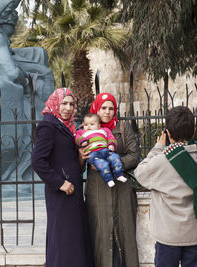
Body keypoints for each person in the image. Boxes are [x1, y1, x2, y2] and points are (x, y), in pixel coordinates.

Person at [134, 106, 197, 267]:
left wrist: (158, 147)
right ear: (194, 131)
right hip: (196, 234)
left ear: (168, 133)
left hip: (168, 236)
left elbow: (140, 174)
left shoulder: (161, 160)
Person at [31, 88, 92, 267]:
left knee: (73, 239)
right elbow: (38, 161)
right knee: (62, 240)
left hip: (72, 193)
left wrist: (81, 157)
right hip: (61, 194)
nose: (68, 108)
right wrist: (60, 183)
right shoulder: (48, 126)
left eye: (71, 104)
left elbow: (73, 164)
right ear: (55, 103)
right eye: (64, 103)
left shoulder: (68, 126)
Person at [80, 92, 140, 267]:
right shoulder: (86, 128)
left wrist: (112, 164)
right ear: (96, 109)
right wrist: (81, 157)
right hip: (97, 189)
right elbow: (79, 165)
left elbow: (134, 155)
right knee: (101, 236)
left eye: (111, 108)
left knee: (126, 233)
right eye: (103, 108)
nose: (107, 112)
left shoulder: (123, 126)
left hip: (121, 188)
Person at [75, 113, 127, 187]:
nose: (88, 126)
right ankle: (108, 179)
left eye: (92, 124)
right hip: (93, 154)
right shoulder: (81, 132)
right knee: (103, 164)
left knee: (116, 157)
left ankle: (119, 174)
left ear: (99, 125)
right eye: (86, 124)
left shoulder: (104, 130)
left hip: (105, 151)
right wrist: (82, 141)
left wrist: (111, 144)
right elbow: (77, 137)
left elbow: (111, 137)